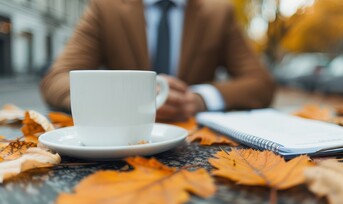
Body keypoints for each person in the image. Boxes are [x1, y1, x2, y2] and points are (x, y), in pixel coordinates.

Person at [40, 0, 275, 122]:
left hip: (192, 139)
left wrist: (199, 99)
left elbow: (260, 83)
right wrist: (128, 97)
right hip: (121, 138)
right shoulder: (106, 8)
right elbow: (57, 80)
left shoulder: (219, 12)